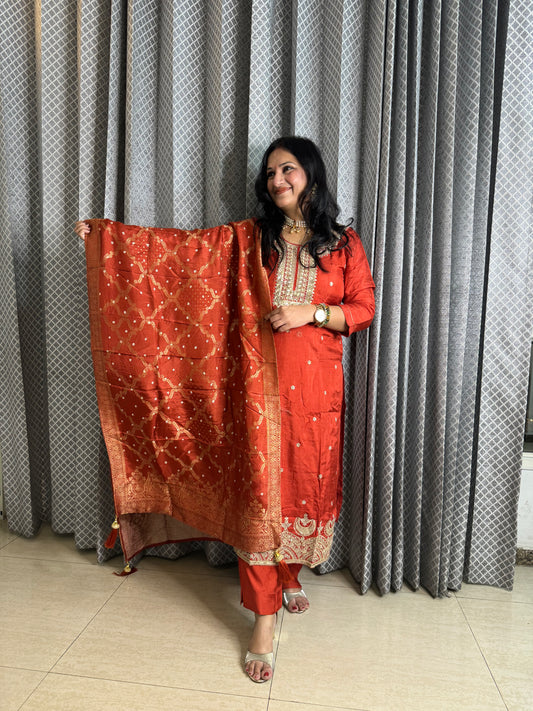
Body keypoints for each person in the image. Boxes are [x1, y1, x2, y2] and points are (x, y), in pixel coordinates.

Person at [75, 135, 375, 683]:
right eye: (269, 173)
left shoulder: (344, 243)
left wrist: (311, 312)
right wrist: (109, 241)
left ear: (311, 173)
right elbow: (177, 255)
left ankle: (287, 576)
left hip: (315, 394)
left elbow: (363, 307)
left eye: (287, 169)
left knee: (302, 488)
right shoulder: (248, 239)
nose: (277, 180)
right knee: (259, 495)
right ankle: (262, 621)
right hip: (252, 392)